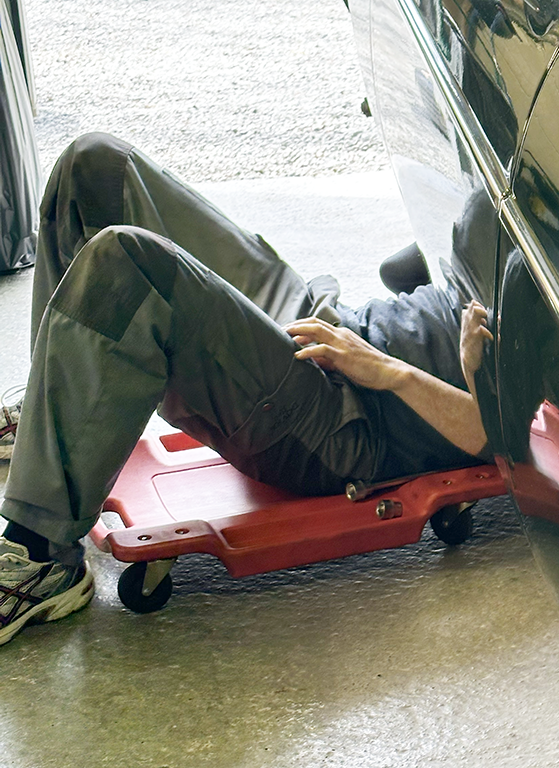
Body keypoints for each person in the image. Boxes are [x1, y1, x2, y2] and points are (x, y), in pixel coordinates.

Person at [0, 132, 494, 647]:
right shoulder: (518, 189)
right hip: (326, 327)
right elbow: (407, 269)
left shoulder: (556, 274)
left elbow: (492, 435)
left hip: (343, 418)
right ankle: (50, 415)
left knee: (126, 264)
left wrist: (387, 370)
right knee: (95, 166)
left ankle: (40, 554)